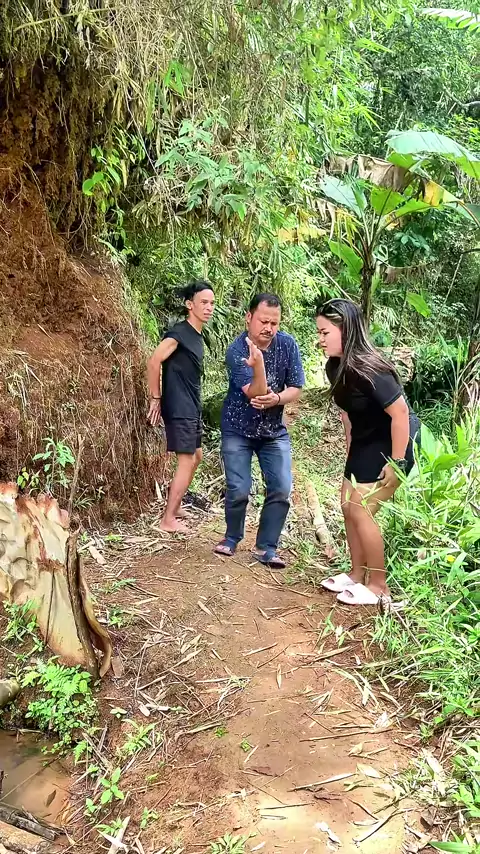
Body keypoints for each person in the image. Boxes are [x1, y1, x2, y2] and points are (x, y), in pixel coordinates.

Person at [316, 298, 420, 606]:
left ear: (346, 330)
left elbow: (400, 413)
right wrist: (351, 453)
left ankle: (378, 587)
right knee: (347, 504)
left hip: (394, 440)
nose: (320, 340)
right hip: (365, 439)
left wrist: (397, 462)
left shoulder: (371, 368)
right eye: (319, 333)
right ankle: (356, 574)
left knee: (362, 508)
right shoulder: (334, 367)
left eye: (325, 332)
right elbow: (347, 413)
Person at [214, 293, 305, 568]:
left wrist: (277, 399)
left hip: (273, 431)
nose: (269, 328)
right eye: (264, 321)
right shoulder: (237, 350)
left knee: (281, 487)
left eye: (274, 323)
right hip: (237, 429)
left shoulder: (288, 344)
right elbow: (255, 392)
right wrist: (260, 366)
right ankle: (232, 537)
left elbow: (296, 388)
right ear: (249, 318)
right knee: (239, 488)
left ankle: (266, 547)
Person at [147, 280, 215, 532]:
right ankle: (167, 520)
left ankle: (174, 508)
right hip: (179, 406)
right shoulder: (179, 333)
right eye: (203, 302)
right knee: (186, 460)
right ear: (189, 305)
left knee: (196, 457)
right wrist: (155, 398)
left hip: (192, 406)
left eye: (212, 303)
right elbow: (154, 361)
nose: (208, 307)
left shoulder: (196, 335)